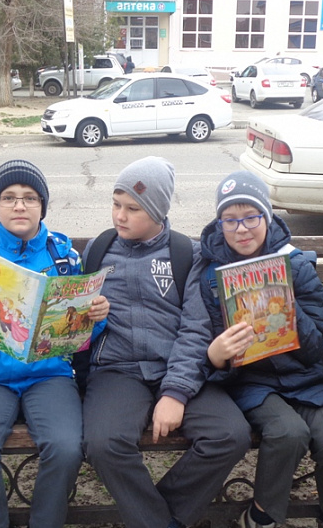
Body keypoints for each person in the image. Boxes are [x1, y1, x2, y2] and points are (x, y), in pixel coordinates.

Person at [81, 157, 251, 528]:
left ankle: (161, 518)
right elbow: (76, 320)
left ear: (158, 211)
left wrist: (175, 393)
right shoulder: (98, 250)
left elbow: (196, 328)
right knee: (104, 443)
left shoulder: (186, 254)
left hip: (178, 367)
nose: (120, 216)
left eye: (133, 208)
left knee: (230, 434)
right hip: (117, 370)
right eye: (116, 204)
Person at [0, 160, 110, 528]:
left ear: (42, 206)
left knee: (65, 448)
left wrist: (96, 317)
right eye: (9, 197)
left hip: (49, 374)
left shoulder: (64, 256)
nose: (20, 206)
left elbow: (79, 338)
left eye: (30, 198)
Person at [200, 171, 323, 528]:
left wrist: (286, 305)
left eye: (251, 217)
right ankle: (262, 516)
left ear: (267, 217)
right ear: (220, 224)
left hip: (307, 379)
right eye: (230, 220)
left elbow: (317, 348)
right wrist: (219, 352)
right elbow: (209, 342)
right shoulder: (211, 273)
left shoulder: (297, 266)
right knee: (289, 433)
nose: (241, 229)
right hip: (251, 382)